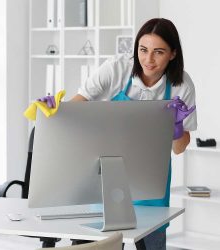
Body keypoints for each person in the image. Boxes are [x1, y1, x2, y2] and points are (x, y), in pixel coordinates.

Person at [38, 18, 197, 250]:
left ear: (172, 54)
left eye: (158, 52)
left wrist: (176, 129)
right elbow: (78, 107)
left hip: (150, 177)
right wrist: (57, 111)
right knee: (97, 242)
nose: (148, 60)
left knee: (151, 240)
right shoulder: (117, 69)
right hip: (106, 172)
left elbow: (179, 148)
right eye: (143, 50)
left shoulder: (182, 85)